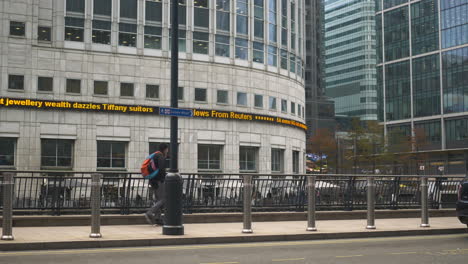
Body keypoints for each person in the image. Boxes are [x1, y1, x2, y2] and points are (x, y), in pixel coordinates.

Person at [144, 143, 169, 226]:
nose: (167, 151)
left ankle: (158, 218)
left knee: (158, 199)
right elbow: (162, 169)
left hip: (152, 179)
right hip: (159, 180)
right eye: (167, 149)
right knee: (163, 199)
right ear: (165, 149)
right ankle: (150, 212)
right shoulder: (160, 156)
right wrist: (164, 178)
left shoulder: (154, 155)